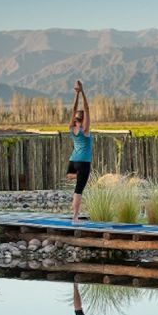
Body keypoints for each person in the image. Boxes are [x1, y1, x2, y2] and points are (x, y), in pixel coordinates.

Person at [66, 80, 92, 222]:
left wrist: (76, 95)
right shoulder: (85, 130)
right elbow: (87, 109)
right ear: (83, 120)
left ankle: (77, 176)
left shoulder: (72, 128)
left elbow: (73, 108)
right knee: (78, 190)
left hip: (73, 161)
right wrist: (82, 92)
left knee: (71, 176)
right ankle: (75, 217)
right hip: (83, 162)